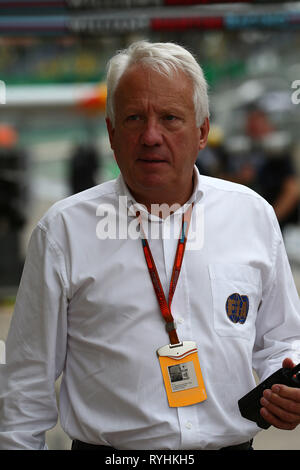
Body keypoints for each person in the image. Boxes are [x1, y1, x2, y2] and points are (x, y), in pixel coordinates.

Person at [0, 41, 300, 451]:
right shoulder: (63, 232)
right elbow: (26, 384)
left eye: (170, 118)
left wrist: (285, 385)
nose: (151, 136)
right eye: (134, 118)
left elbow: (283, 340)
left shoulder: (252, 216)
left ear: (202, 132)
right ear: (110, 132)